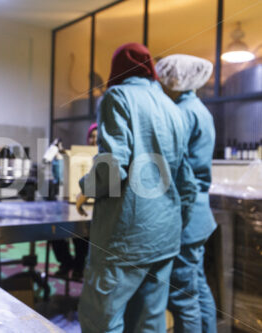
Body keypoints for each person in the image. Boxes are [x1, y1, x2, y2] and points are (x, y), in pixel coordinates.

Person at [76, 43, 197, 332]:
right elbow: (187, 183)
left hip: (125, 237)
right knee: (149, 323)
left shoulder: (117, 96)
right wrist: (176, 224)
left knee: (101, 320)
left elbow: (112, 166)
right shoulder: (174, 108)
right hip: (164, 238)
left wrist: (86, 188)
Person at [156, 54, 217, 333]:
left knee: (182, 296)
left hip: (188, 215)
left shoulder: (182, 112)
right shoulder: (199, 108)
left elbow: (177, 168)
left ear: (177, 80)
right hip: (201, 215)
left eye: (164, 78)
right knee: (197, 284)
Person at [52, 123, 97, 280]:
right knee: (53, 230)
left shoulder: (104, 158)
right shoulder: (79, 156)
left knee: (82, 235)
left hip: (95, 208)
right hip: (74, 202)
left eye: (97, 137)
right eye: (91, 136)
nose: (93, 140)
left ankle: (79, 266)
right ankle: (66, 262)